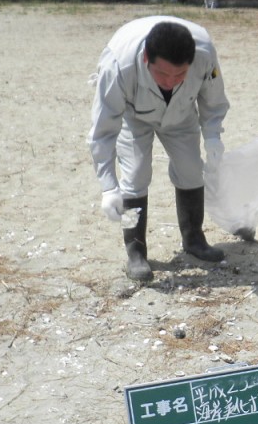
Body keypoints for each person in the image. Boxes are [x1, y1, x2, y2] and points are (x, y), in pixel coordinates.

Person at [89, 16, 230, 282]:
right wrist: (108, 187)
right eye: (163, 73)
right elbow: (102, 131)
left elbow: (214, 100)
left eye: (180, 74)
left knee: (191, 170)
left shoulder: (204, 54)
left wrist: (213, 137)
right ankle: (135, 249)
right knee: (136, 176)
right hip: (134, 114)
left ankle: (194, 238)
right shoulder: (118, 64)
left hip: (181, 114)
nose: (170, 81)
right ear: (146, 59)